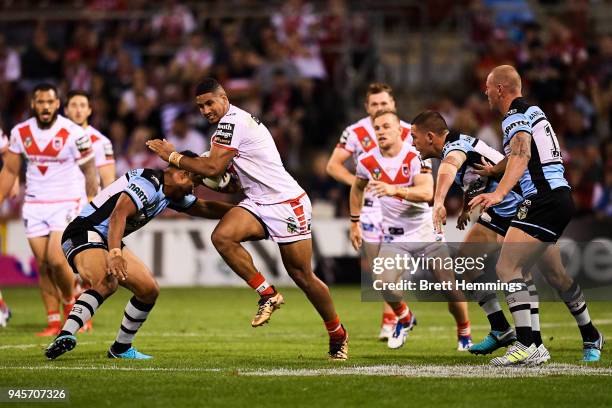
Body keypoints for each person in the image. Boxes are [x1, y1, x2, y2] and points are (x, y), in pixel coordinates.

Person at [146, 77, 349, 360]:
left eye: (209, 103)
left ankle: (337, 334)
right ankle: (267, 294)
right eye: (200, 106)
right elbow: (232, 182)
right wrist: (206, 178)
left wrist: (174, 156)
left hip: (287, 203)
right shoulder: (228, 127)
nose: (205, 110)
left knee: (302, 275)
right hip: (258, 201)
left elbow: (215, 166)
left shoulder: (231, 123)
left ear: (224, 98)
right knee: (222, 237)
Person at [469, 65, 604, 365]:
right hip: (556, 197)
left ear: (501, 89)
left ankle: (528, 345)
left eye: (489, 87)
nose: (486, 92)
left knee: (506, 268)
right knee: (538, 273)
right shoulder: (533, 111)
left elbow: (522, 154)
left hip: (542, 199)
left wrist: (498, 192)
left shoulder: (513, 116)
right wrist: (493, 169)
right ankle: (573, 337)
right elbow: (521, 151)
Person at [45, 151, 234, 359]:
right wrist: (115, 252)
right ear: (182, 175)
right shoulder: (148, 182)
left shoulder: (168, 194)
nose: (194, 189)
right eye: (195, 183)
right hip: (84, 231)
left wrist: (244, 211)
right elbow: (119, 214)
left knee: (148, 290)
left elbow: (203, 207)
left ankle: (121, 348)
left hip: (107, 238)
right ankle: (65, 335)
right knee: (107, 282)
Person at [350, 109, 472, 351]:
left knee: (450, 287)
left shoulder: (416, 156)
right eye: (377, 128)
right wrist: (355, 221)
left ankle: (464, 331)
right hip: (395, 236)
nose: (381, 131)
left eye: (386, 126)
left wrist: (396, 190)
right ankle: (404, 317)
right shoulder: (366, 161)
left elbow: (427, 193)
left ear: (399, 130)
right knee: (382, 282)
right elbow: (357, 189)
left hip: (427, 233)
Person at [0, 83, 98, 336]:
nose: (45, 107)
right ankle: (53, 321)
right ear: (33, 104)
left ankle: (70, 304)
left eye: (50, 102)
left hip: (67, 202)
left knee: (57, 259)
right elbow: (10, 170)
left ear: (57, 104)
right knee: (43, 264)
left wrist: (91, 199)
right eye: (40, 102)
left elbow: (90, 169)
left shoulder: (73, 132)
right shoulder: (20, 132)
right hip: (34, 204)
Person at [326, 82, 412, 341]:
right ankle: (399, 314)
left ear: (393, 104)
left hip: (401, 206)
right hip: (370, 207)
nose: (379, 108)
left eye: (384, 103)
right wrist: (358, 182)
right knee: (378, 271)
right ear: (366, 107)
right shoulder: (354, 132)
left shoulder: (408, 131)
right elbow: (333, 166)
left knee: (390, 266)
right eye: (374, 104)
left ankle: (391, 320)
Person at [65, 90, 116, 189]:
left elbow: (108, 181)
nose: (78, 110)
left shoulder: (101, 142)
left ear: (89, 110)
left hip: (88, 201)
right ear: (66, 110)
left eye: (83, 105)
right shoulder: (56, 138)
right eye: (74, 105)